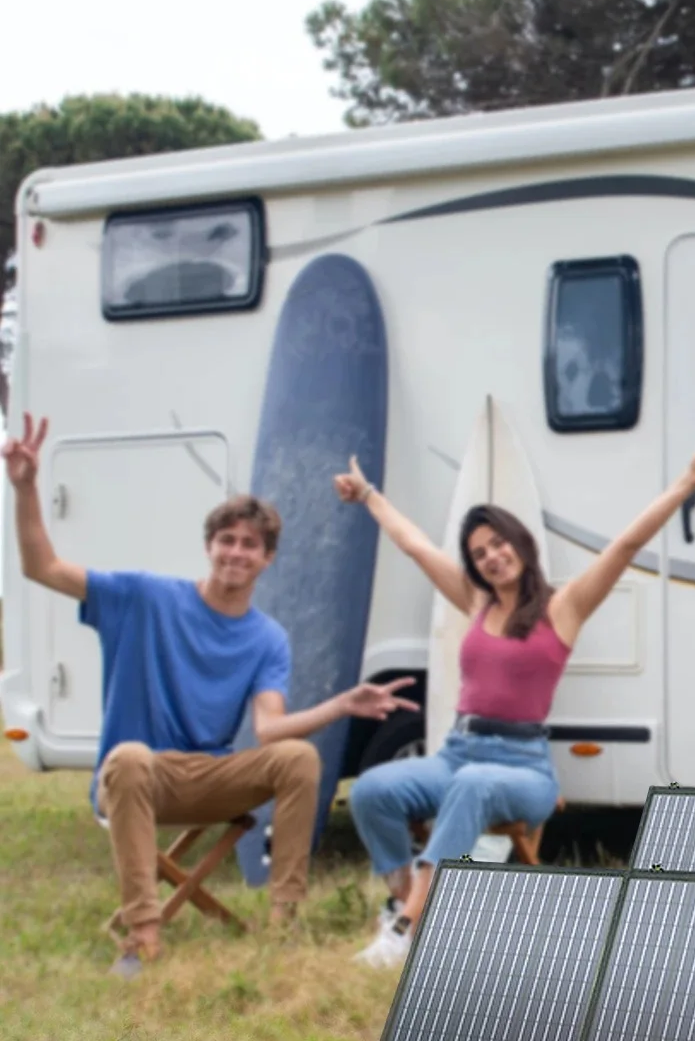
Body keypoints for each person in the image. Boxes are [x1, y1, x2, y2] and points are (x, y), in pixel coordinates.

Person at [3, 412, 418, 976]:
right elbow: (41, 566)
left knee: (298, 756)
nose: (237, 553)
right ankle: (143, 938)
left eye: (251, 545)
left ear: (267, 560)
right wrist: (25, 487)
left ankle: (283, 922)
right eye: (227, 540)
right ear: (209, 546)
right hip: (135, 778)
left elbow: (270, 730)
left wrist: (343, 704)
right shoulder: (144, 597)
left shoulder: (267, 637)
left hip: (208, 777)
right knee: (128, 757)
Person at [338, 434, 695, 967]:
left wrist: (686, 483)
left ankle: (409, 927)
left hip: (522, 768)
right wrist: (367, 495)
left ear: (519, 543)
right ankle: (401, 903)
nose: (492, 557)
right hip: (457, 753)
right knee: (372, 790)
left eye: (498, 543)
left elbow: (625, 547)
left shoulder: (563, 608)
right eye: (479, 553)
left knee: (473, 785)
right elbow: (415, 546)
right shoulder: (474, 601)